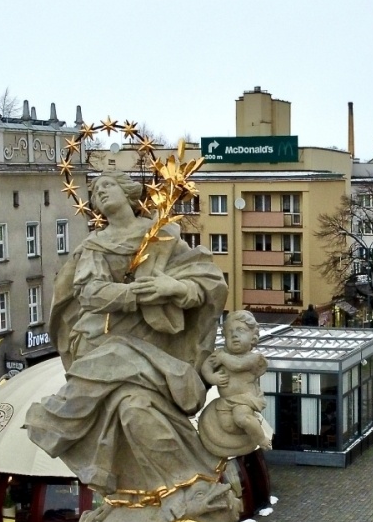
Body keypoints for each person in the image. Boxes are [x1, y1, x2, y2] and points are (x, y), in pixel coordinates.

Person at [25, 170, 229, 493]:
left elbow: (206, 283)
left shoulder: (161, 236)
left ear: (128, 192)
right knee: (125, 400)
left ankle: (190, 485)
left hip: (155, 345)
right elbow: (90, 293)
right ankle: (180, 485)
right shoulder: (94, 246)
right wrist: (135, 295)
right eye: (95, 191)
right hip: (105, 340)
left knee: (134, 410)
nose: (101, 193)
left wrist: (173, 287)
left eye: (108, 185)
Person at [199, 310, 272, 455]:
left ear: (253, 338)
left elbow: (238, 365)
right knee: (228, 425)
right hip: (225, 401)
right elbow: (206, 367)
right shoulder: (220, 354)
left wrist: (223, 358)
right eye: (230, 332)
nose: (234, 335)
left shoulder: (255, 358)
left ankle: (261, 438)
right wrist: (212, 378)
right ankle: (240, 439)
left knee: (242, 419)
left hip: (244, 400)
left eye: (241, 331)